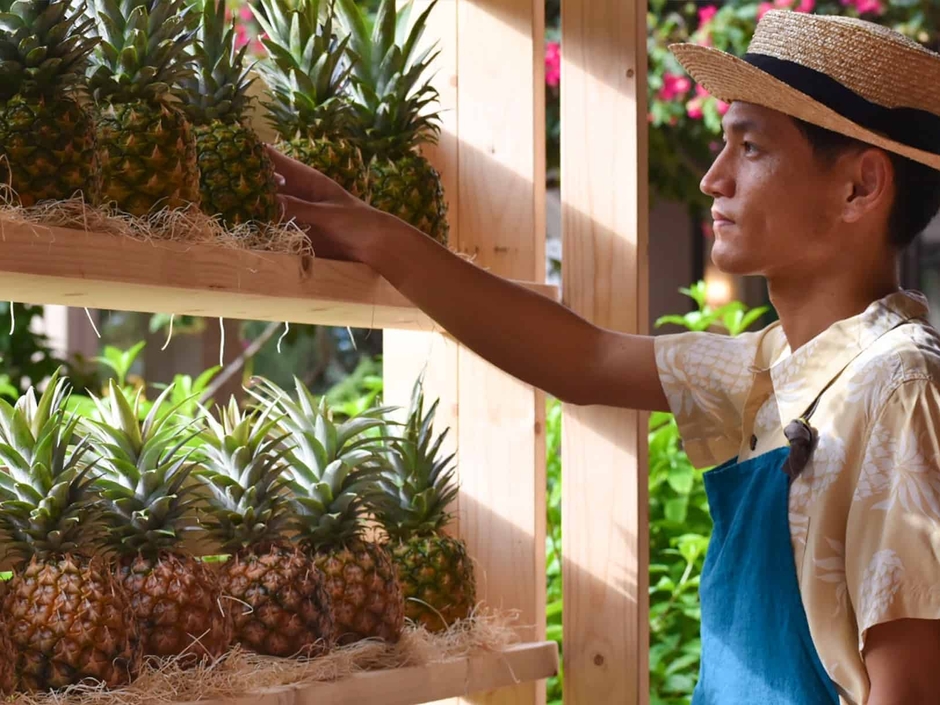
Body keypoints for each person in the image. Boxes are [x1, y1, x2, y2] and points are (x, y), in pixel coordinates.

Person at [269, 9, 940, 705]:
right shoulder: (772, 367)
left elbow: (913, 689)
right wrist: (376, 235)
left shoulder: (897, 384)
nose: (714, 179)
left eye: (751, 148)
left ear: (860, 187)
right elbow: (581, 358)